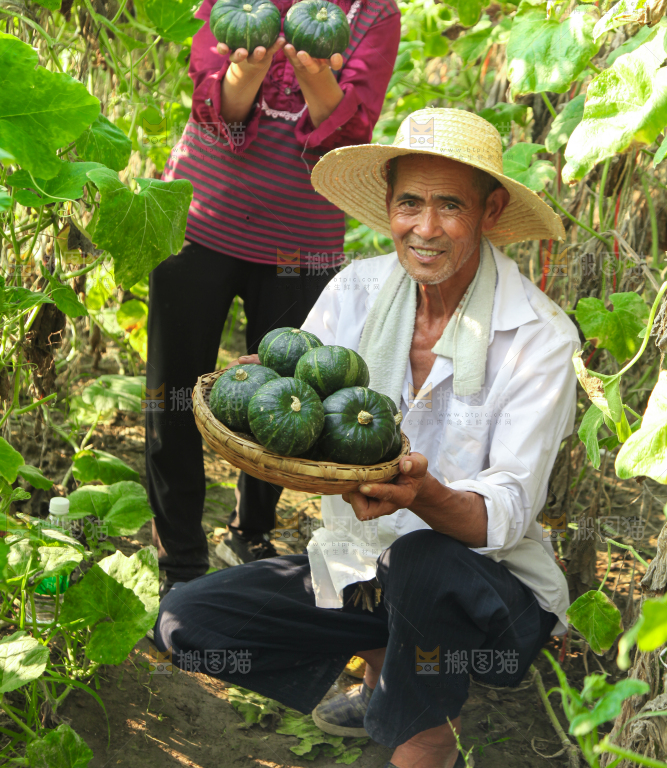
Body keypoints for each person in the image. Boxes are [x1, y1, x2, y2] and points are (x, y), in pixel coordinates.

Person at [155, 107, 578, 768]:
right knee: (188, 620)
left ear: (491, 211)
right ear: (386, 206)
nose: (424, 228)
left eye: (449, 206)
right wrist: (259, 390)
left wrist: (420, 494)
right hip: (360, 568)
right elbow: (312, 400)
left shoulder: (538, 337)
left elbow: (505, 512)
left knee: (423, 561)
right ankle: (385, 676)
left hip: (490, 593)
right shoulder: (356, 287)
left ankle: (424, 733)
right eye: (408, 203)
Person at [145, 0, 431, 587]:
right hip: (200, 220)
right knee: (173, 393)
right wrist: (243, 72)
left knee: (289, 399)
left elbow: (349, 133)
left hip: (303, 236)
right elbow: (215, 110)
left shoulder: (372, 11)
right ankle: (181, 555)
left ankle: (250, 532)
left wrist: (312, 73)